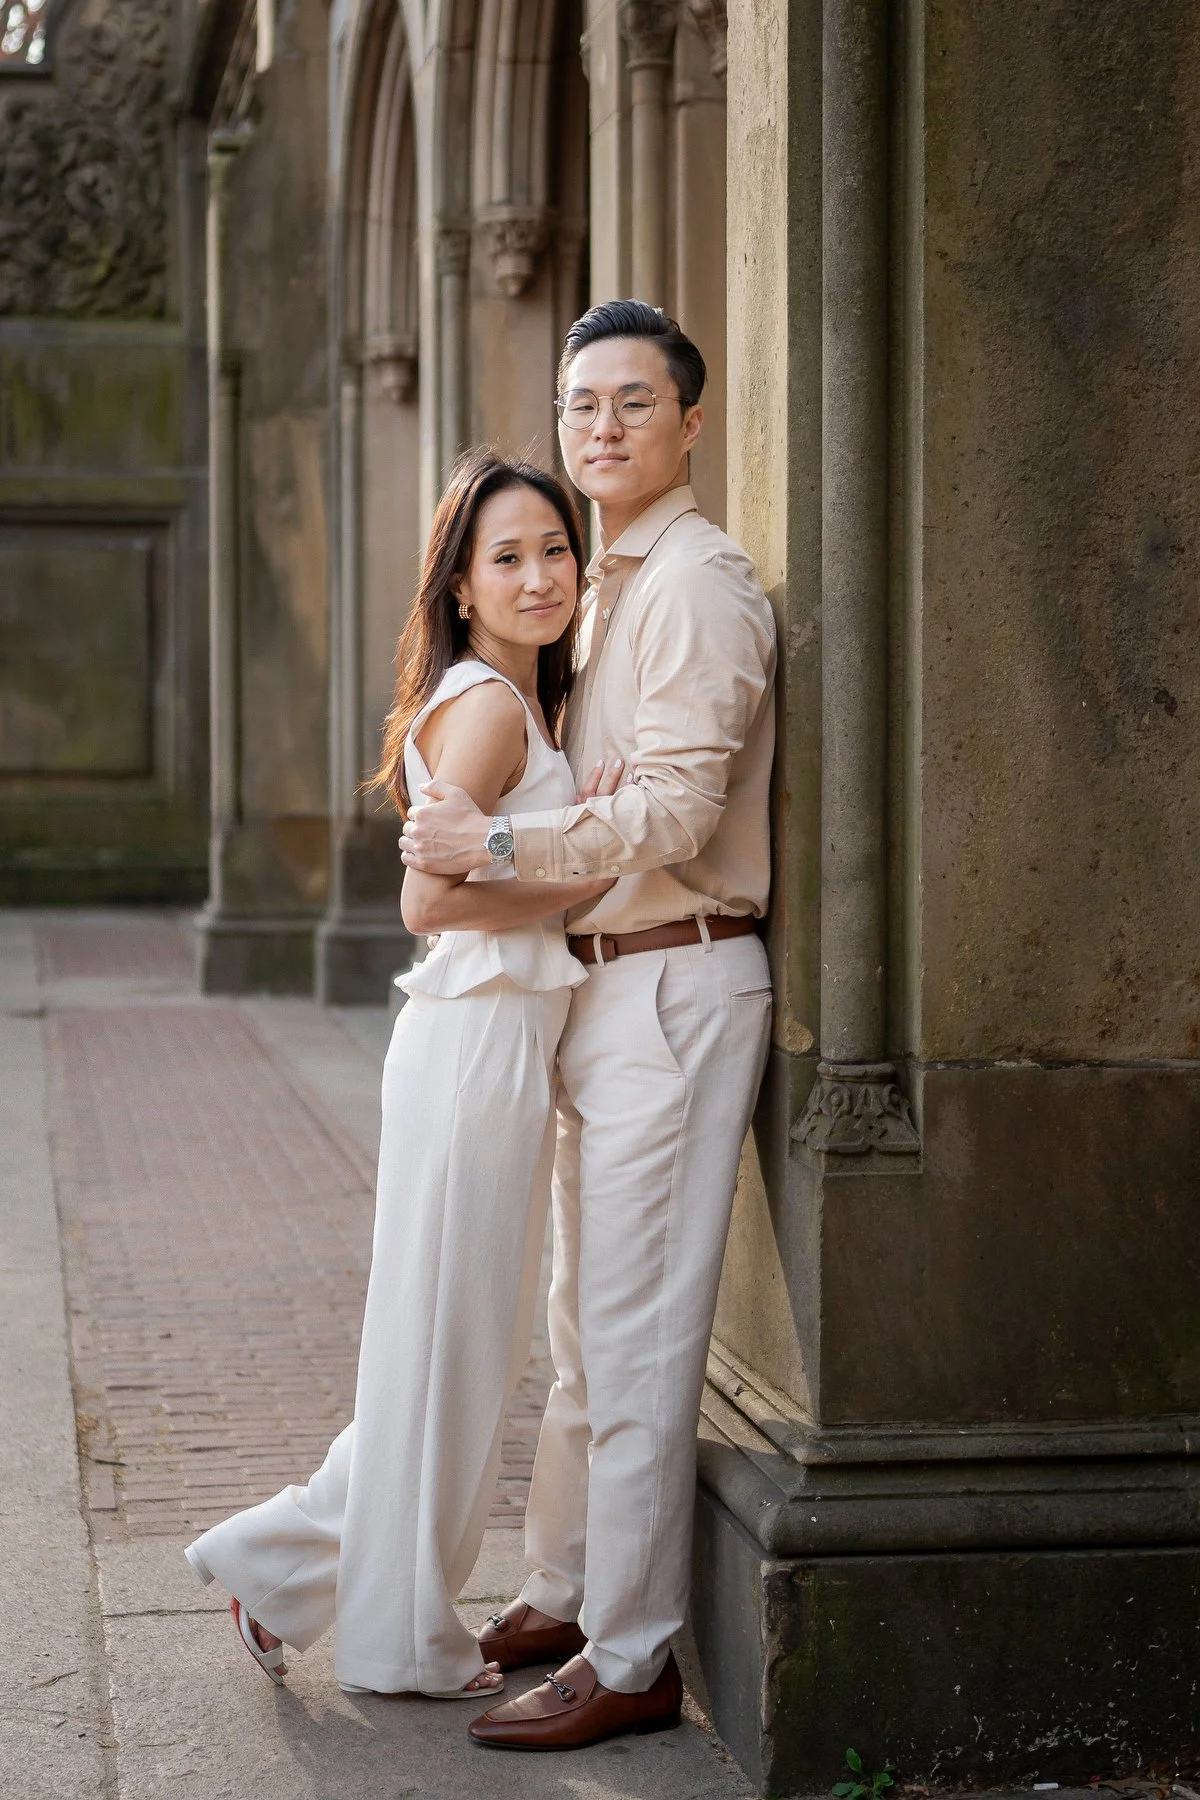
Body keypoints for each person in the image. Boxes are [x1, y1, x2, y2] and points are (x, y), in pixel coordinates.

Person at [181, 449, 623, 1699]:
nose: (540, 576)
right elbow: (428, 901)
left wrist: (562, 849)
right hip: (476, 1041)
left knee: (449, 1351)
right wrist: (593, 867)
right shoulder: (488, 707)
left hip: (488, 1045)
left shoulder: (514, 701)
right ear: (462, 587)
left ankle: (280, 1569)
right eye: (508, 557)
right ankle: (398, 1636)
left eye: (556, 550)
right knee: (450, 1355)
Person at [400, 300, 777, 1749]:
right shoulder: (601, 585)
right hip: (605, 984)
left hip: (678, 979)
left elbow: (676, 811)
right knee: (579, 1330)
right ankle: (562, 1592)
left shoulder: (698, 581)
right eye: (581, 405)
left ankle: (632, 1656)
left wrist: (490, 846)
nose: (603, 426)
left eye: (634, 401)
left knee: (634, 1339)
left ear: (692, 423)